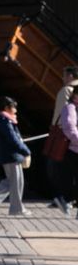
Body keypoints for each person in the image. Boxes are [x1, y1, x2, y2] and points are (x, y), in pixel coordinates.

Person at [0, 97, 33, 216]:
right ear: (6, 108)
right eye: (13, 107)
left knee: (13, 182)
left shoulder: (4, 120)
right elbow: (13, 139)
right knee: (16, 182)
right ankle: (15, 208)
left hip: (10, 155)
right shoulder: (4, 121)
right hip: (11, 155)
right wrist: (26, 150)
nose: (15, 110)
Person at [49, 66, 78, 213]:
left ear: (71, 76)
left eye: (64, 75)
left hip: (66, 137)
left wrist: (54, 129)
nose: (63, 78)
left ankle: (63, 199)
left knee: (62, 169)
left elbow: (62, 116)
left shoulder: (67, 90)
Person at [56, 88, 78, 220]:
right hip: (74, 149)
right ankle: (65, 199)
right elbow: (69, 128)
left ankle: (66, 199)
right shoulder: (70, 108)